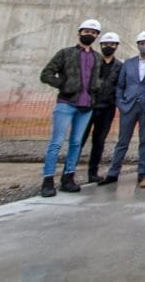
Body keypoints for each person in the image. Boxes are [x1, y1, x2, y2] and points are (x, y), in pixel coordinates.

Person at [38, 19, 103, 197]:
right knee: (56, 142)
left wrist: (94, 95)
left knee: (76, 143)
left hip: (86, 106)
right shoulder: (66, 53)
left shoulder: (96, 57)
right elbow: (46, 74)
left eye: (93, 32)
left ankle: (68, 178)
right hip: (66, 104)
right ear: (79, 32)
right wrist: (63, 85)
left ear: (97, 35)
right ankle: (48, 180)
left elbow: (98, 80)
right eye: (86, 31)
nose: (89, 34)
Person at [98, 31, 145, 186]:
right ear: (138, 45)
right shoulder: (128, 63)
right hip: (128, 107)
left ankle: (142, 172)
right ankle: (113, 173)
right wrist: (121, 103)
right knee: (122, 141)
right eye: (142, 43)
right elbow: (120, 86)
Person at [80, 31, 122, 183]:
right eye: (105, 44)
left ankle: (93, 172)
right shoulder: (93, 61)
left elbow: (120, 86)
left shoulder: (119, 66)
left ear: (116, 46)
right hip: (88, 107)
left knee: (99, 141)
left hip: (107, 108)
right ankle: (68, 172)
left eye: (111, 45)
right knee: (79, 140)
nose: (108, 47)